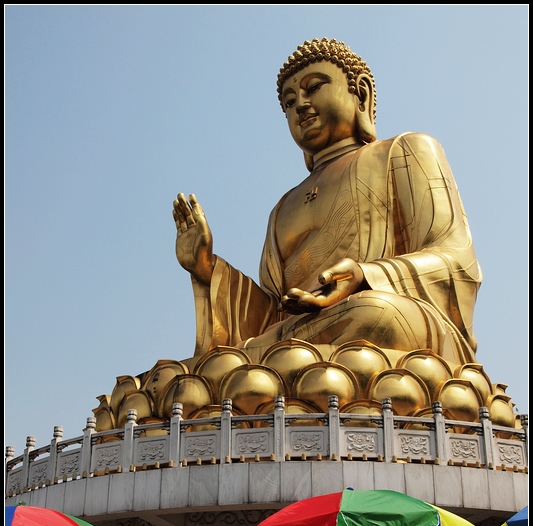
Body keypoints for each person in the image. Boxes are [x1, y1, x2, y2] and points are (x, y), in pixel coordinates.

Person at [173, 37, 481, 369]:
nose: (300, 106)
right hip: (296, 336)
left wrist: (365, 274)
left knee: (373, 312)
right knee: (200, 367)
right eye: (289, 102)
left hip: (379, 317)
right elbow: (275, 313)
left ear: (360, 93)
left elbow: (457, 260)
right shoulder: (282, 208)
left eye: (314, 88)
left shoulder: (404, 151)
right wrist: (206, 266)